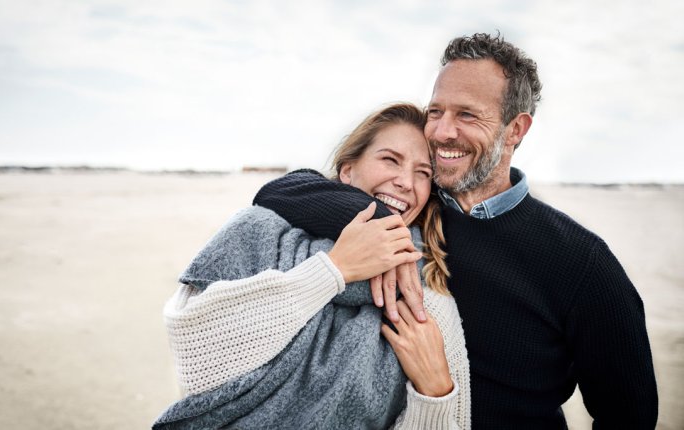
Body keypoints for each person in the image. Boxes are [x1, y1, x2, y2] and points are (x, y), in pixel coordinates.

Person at [256, 33, 658, 429]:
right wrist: (382, 220)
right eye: (435, 112)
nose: (442, 132)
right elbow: (281, 190)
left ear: (515, 130)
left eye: (467, 115)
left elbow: (630, 416)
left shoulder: (581, 262)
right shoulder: (413, 207)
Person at [154, 104, 470, 429]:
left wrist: (436, 392)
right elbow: (195, 360)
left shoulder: (427, 290)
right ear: (347, 170)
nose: (406, 181)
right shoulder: (260, 228)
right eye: (390, 159)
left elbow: (453, 422)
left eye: (423, 173)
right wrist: (333, 271)